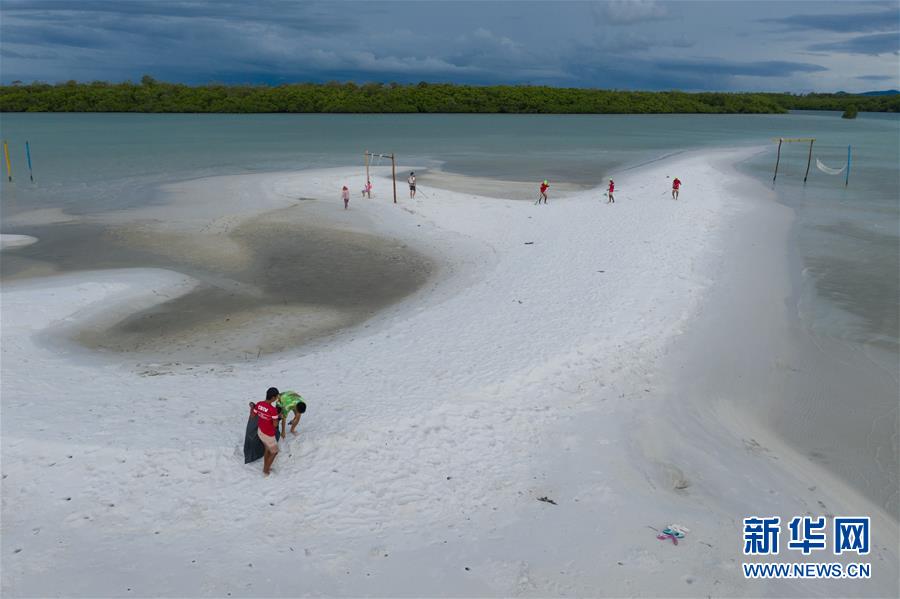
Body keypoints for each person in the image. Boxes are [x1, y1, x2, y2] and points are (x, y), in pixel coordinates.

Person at [254, 387, 281, 475]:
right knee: (274, 452)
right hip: (268, 434)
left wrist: (252, 407)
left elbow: (253, 415)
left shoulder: (258, 404)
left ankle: (266, 465)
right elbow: (275, 425)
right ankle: (266, 470)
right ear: (273, 398)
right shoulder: (273, 410)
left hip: (260, 431)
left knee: (267, 449)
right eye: (276, 397)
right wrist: (278, 416)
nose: (277, 398)